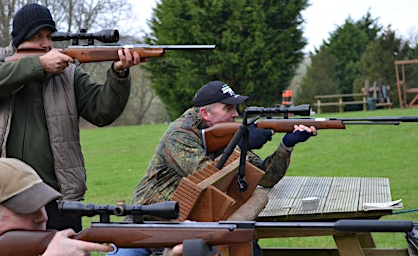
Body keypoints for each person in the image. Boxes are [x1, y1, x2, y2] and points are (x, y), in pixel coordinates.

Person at [0, 3, 146, 232]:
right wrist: (38, 65)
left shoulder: (68, 73)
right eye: (37, 36)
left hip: (56, 197)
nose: (46, 43)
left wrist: (119, 73)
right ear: (20, 38)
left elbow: (102, 111)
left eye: (49, 36)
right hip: (0, 195)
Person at [109, 80, 317, 256]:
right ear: (205, 113)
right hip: (149, 223)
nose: (235, 113)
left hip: (192, 219)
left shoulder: (222, 135)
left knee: (247, 246)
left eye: (235, 108)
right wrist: (239, 146)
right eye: (228, 109)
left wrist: (286, 145)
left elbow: (265, 178)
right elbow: (207, 179)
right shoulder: (180, 134)